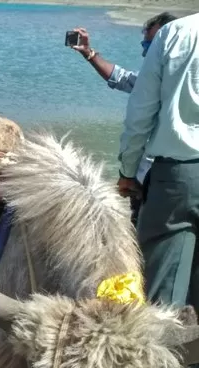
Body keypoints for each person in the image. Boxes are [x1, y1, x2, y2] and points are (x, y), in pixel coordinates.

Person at [117, 13, 199, 368]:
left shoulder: (176, 33)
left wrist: (128, 170)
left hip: (179, 173)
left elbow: (142, 109)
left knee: (164, 283)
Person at [68, 13, 179, 228]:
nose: (146, 49)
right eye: (145, 43)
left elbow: (136, 127)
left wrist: (126, 174)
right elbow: (121, 78)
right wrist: (88, 53)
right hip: (147, 177)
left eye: (151, 43)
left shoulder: (178, 81)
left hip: (163, 177)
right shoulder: (152, 78)